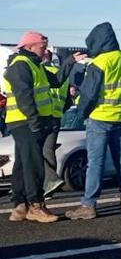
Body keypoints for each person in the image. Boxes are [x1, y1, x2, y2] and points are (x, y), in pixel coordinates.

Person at [66, 22, 121, 218]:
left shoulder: (99, 63)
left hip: (100, 117)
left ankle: (89, 205)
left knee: (95, 162)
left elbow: (89, 94)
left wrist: (82, 113)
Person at [4, 31, 59, 223]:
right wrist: (35, 121)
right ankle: (35, 205)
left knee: (22, 162)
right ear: (29, 47)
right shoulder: (21, 65)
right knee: (34, 163)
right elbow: (24, 96)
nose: (45, 51)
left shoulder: (33, 65)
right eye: (42, 47)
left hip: (25, 120)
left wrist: (69, 64)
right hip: (26, 121)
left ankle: (20, 206)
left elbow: (56, 82)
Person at [40, 46, 71, 198]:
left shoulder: (41, 72)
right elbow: (68, 102)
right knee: (48, 151)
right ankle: (49, 188)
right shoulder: (63, 76)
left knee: (37, 152)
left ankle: (46, 183)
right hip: (56, 117)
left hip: (43, 115)